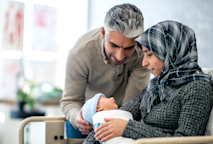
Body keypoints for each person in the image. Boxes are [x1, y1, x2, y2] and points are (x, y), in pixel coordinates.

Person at [83, 20, 213, 144]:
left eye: (149, 54)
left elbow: (185, 140)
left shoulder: (197, 88)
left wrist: (129, 128)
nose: (144, 63)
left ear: (169, 52)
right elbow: (112, 119)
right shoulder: (156, 86)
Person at [60, 3, 150, 135]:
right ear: (103, 33)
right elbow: (70, 101)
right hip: (84, 124)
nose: (120, 56)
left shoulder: (142, 53)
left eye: (128, 48)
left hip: (124, 119)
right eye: (114, 45)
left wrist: (120, 125)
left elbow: (132, 105)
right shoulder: (79, 54)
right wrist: (79, 119)